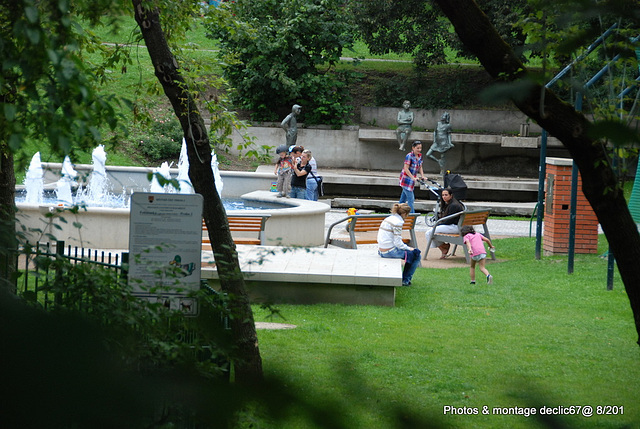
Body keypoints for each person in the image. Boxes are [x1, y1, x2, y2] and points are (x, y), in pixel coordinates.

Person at [377, 203, 421, 286]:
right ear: (404, 214)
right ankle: (405, 280)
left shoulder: (389, 218)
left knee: (410, 253)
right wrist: (410, 248)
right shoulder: (398, 222)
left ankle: (404, 279)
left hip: (381, 249)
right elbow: (398, 243)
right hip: (389, 252)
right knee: (416, 254)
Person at [426, 187, 464, 259]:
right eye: (443, 195)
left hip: (454, 227)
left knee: (429, 233)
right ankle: (443, 247)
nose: (444, 197)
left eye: (446, 195)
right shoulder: (451, 204)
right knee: (430, 231)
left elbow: (449, 221)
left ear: (451, 195)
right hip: (455, 226)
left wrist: (437, 225)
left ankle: (443, 247)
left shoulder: (453, 205)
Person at [398, 140, 425, 213]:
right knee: (411, 199)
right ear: (413, 148)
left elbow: (420, 167)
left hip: (411, 181)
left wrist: (422, 176)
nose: (419, 150)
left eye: (420, 148)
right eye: (417, 148)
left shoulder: (420, 156)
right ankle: (412, 216)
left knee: (402, 200)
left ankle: (396, 213)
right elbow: (406, 168)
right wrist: (412, 177)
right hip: (406, 180)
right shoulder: (409, 156)